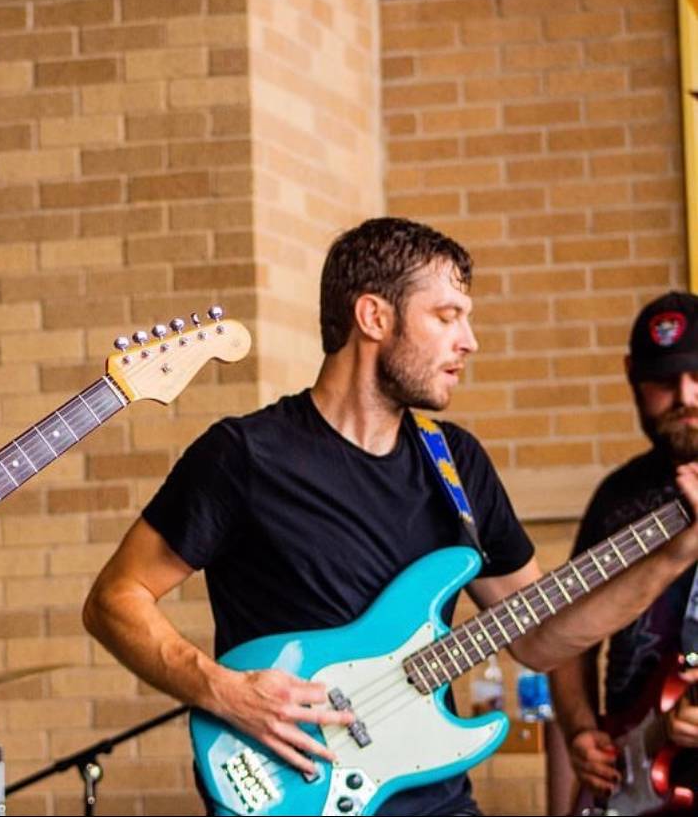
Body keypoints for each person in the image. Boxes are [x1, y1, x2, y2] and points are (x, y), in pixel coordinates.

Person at [82, 218, 698, 815]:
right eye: (447, 316)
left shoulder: (455, 462)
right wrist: (221, 689)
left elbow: (541, 637)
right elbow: (116, 597)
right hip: (296, 792)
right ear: (374, 317)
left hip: (437, 799)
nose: (469, 340)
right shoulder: (245, 455)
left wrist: (677, 551)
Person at [549, 291, 698, 803]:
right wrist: (580, 732)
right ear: (632, 375)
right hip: (632, 774)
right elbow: (567, 634)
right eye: (664, 381)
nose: (686, 397)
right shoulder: (617, 496)